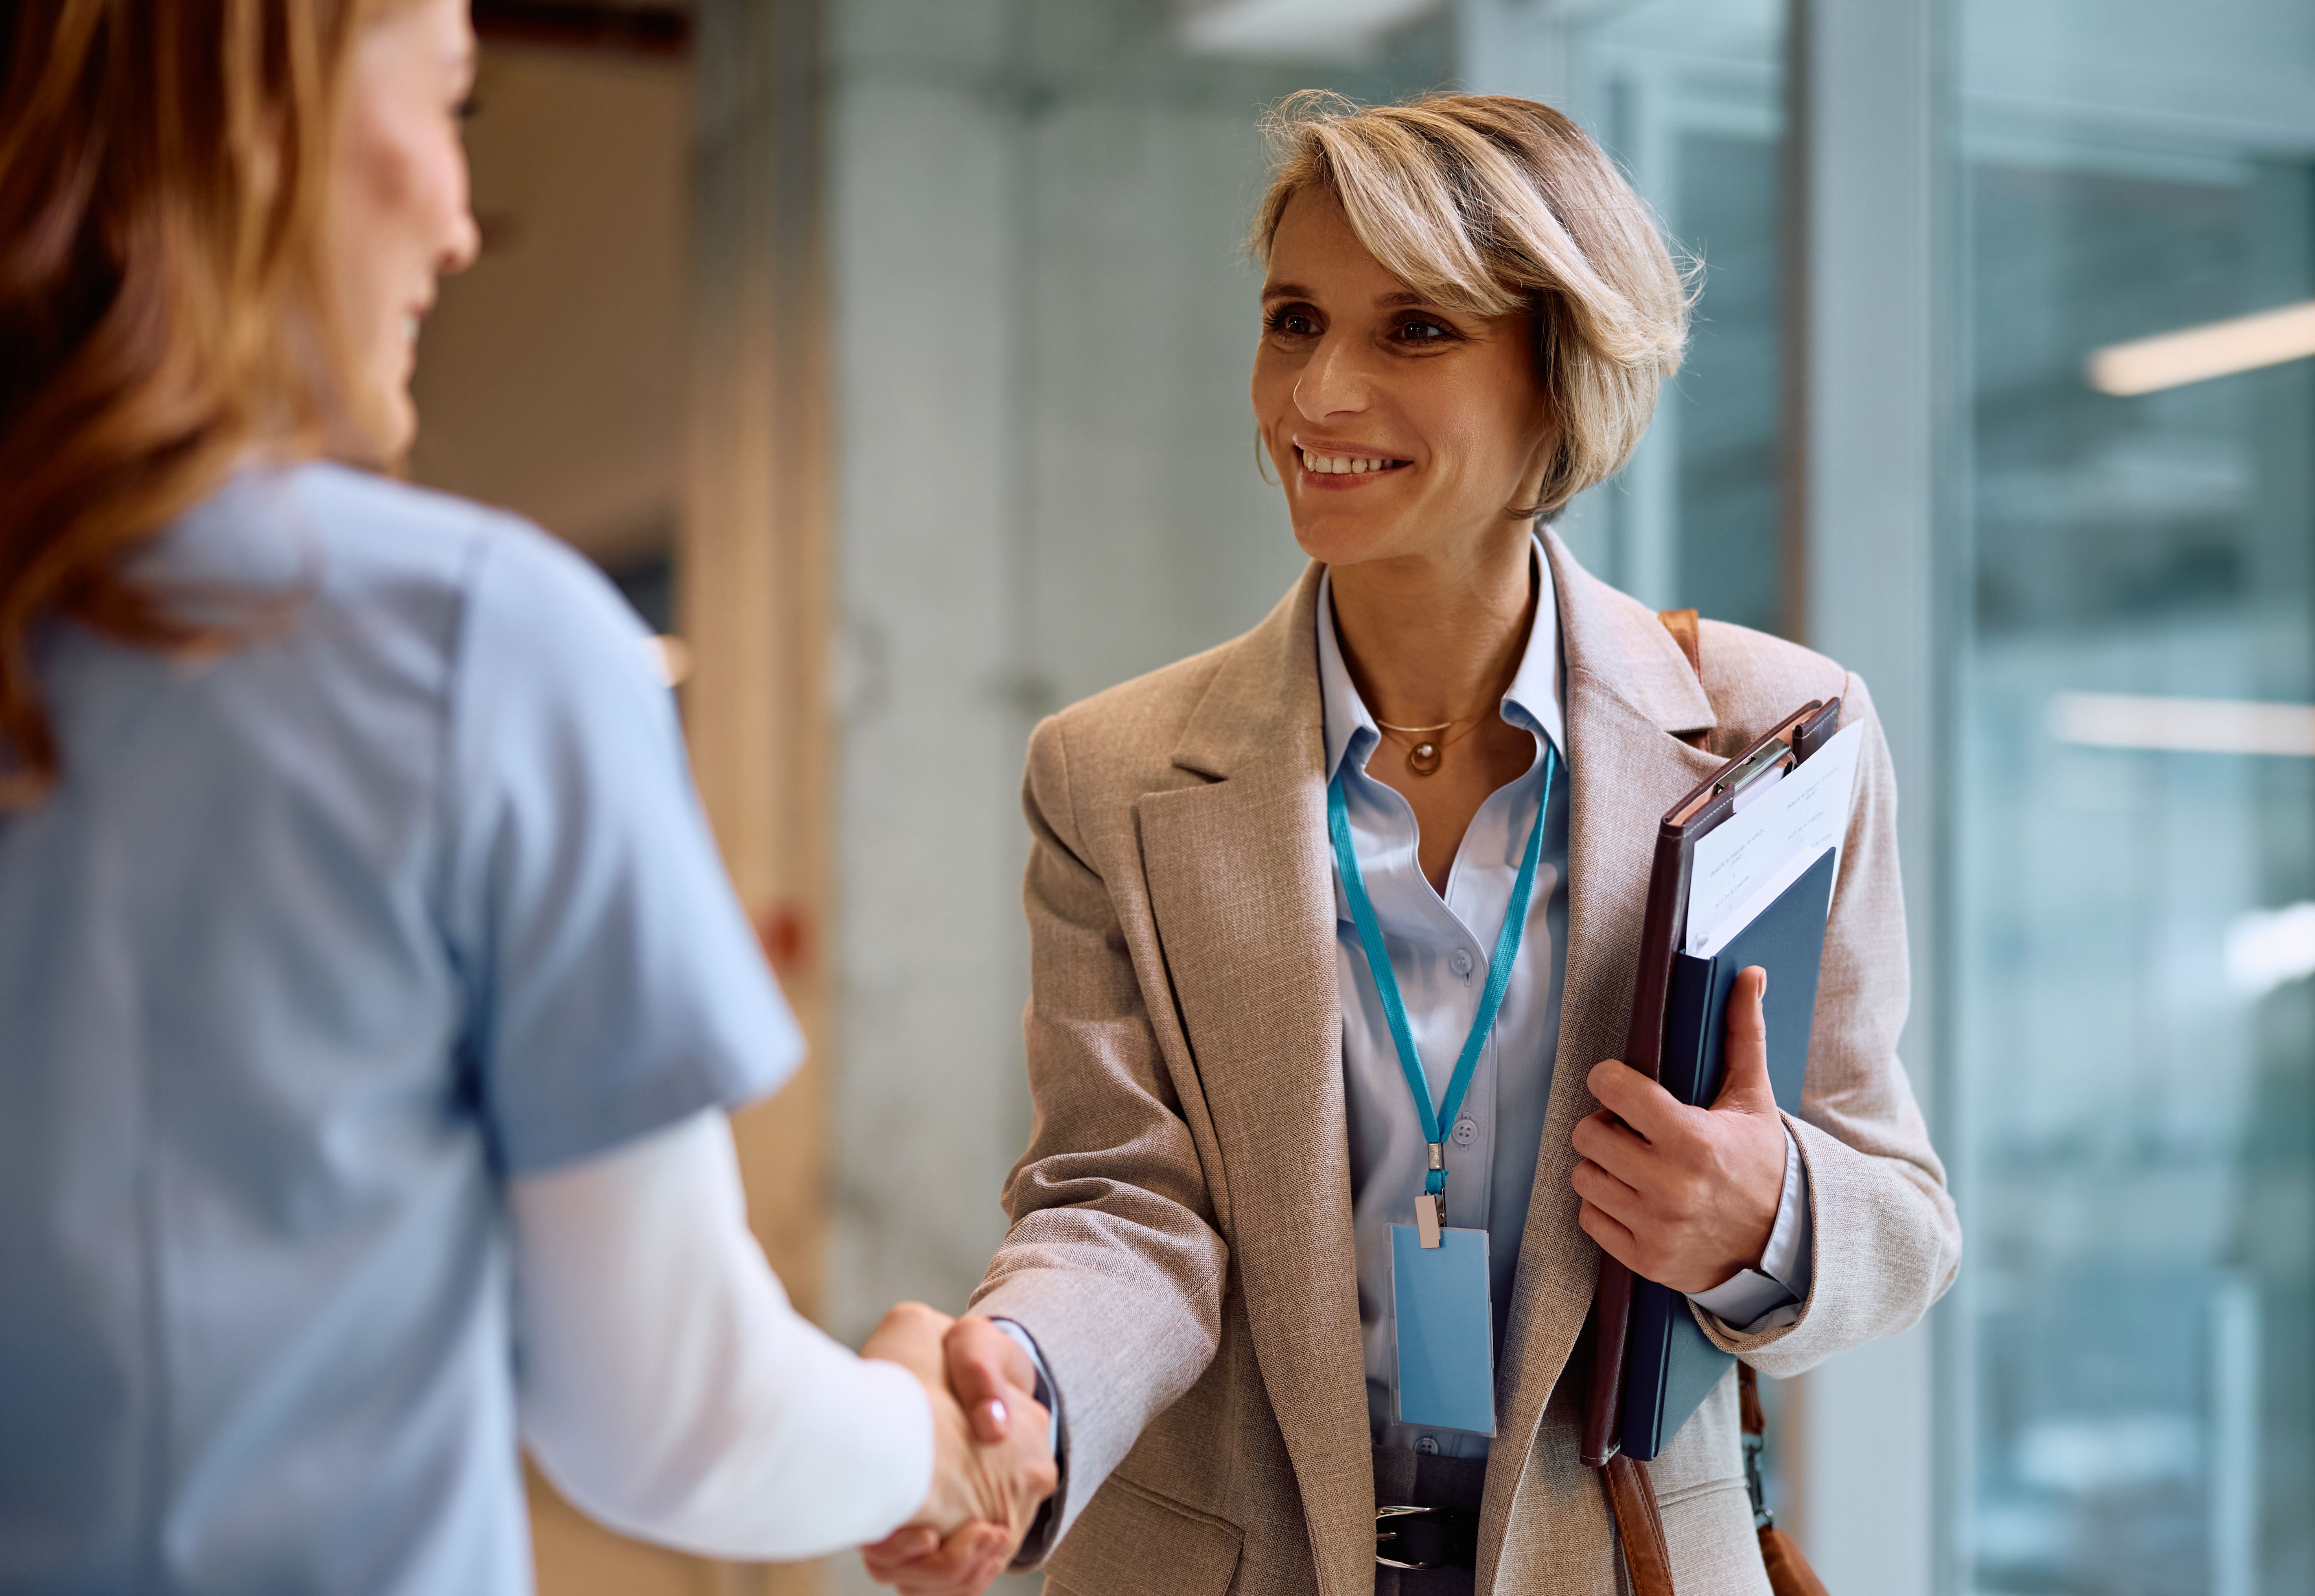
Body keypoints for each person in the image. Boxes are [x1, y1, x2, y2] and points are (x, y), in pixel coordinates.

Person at [0, 0, 1051, 1589]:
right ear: (252, 120)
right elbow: (669, 1416)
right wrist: (929, 1432)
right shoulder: (466, 642)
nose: (457, 217)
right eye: (446, 110)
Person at [865, 93, 1961, 1594]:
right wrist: (1021, 1386)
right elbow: (1121, 1202)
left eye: (1413, 331)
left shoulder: (1779, 730)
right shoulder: (1109, 777)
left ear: (1558, 369)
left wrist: (1761, 1212)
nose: (1318, 390)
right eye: (1294, 319)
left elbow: (1900, 1212)